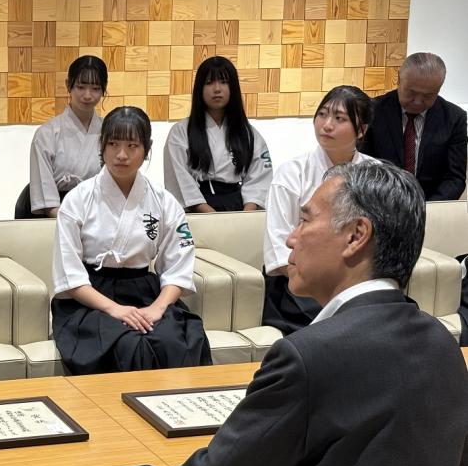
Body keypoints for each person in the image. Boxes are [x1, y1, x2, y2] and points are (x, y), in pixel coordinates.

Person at [111, 161, 468, 466]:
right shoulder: (445, 345)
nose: (290, 237)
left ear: (356, 236)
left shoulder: (307, 354)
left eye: (305, 219)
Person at [51, 106, 211, 375]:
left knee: (178, 340)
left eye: (132, 145)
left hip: (145, 293)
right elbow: (70, 276)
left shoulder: (163, 201)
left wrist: (158, 309)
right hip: (91, 299)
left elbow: (178, 268)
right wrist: (115, 310)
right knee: (129, 345)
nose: (121, 154)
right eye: (113, 144)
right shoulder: (77, 199)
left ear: (146, 149)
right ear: (101, 146)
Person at [262, 85, 376, 334]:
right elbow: (279, 248)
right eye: (322, 114)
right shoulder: (292, 174)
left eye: (339, 118)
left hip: (358, 286)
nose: (326, 125)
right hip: (300, 285)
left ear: (362, 129)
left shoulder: (376, 175)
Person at [164, 56, 272, 212]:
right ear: (199, 89)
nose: (217, 89)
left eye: (224, 82)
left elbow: (259, 176)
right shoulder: (180, 132)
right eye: (209, 83)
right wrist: (208, 213)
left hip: (239, 207)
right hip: (198, 208)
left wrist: (247, 213)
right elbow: (179, 178)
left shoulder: (247, 133)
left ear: (233, 87)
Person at [360, 52, 466, 201]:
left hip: (430, 205)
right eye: (411, 93)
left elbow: (455, 178)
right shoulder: (373, 111)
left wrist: (426, 209)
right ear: (398, 80)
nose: (417, 101)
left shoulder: (455, 119)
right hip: (380, 203)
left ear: (439, 89)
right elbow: (362, 166)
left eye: (428, 96)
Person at [15, 55, 107, 218]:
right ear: (68, 86)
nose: (87, 95)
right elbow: (47, 199)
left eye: (95, 88)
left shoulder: (109, 131)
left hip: (97, 212)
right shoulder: (47, 134)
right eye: (80, 87)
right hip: (54, 214)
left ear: (103, 90)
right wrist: (71, 224)